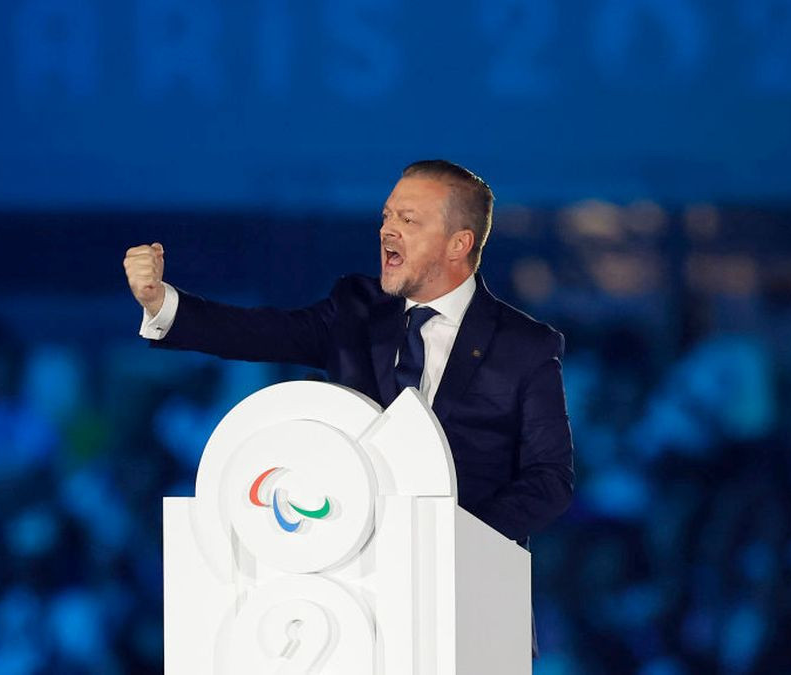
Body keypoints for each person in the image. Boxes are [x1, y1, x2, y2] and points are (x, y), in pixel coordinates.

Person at [123, 159, 574, 544]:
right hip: (347, 582)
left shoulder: (524, 346)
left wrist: (456, 542)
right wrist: (162, 303)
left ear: (459, 244)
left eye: (408, 220)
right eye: (386, 216)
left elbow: (549, 479)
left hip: (468, 598)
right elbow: (258, 332)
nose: (386, 231)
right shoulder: (355, 311)